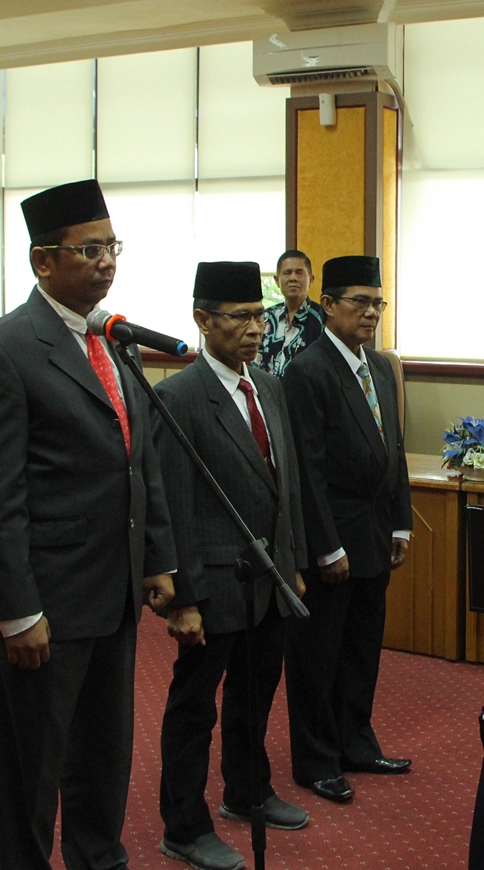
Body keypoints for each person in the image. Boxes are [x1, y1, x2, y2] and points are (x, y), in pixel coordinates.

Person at [0, 178, 178, 870]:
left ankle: (98, 856)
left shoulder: (115, 338)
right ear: (42, 261)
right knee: (35, 766)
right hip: (48, 600)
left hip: (112, 593)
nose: (107, 261)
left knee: (105, 752)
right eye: (89, 250)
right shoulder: (5, 348)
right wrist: (17, 611)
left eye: (112, 246)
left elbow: (138, 465)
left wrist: (157, 557)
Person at [155, 261, 311, 870]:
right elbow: (175, 504)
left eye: (258, 316)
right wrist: (185, 597)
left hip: (267, 581)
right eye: (240, 317)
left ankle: (247, 792)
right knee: (195, 708)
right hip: (213, 584)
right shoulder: (178, 397)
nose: (254, 329)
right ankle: (184, 825)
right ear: (202, 319)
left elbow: (286, 486)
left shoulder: (267, 384)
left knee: (254, 696)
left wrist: (291, 562)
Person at [283, 254, 413, 806]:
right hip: (332, 540)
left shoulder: (380, 365)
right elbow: (306, 470)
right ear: (328, 305)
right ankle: (315, 760)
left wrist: (403, 523)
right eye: (359, 302)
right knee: (319, 655)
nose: (370, 313)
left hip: (378, 534)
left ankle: (356, 743)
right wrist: (326, 544)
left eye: (377, 302)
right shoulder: (308, 371)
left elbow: (395, 450)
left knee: (362, 649)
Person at [258, 250, 324, 378]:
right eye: (287, 273)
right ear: (277, 280)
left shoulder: (324, 320)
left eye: (299, 273)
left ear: (311, 280)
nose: (293, 278)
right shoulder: (265, 318)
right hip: (267, 395)